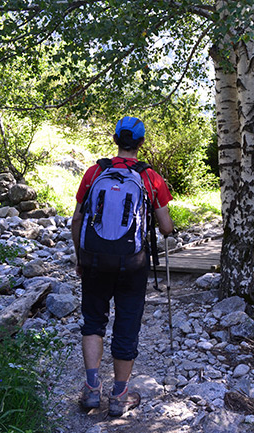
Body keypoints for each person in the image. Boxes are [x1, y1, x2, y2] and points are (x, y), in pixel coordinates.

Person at [71, 116, 174, 416]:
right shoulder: (150, 177)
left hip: (94, 260)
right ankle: (119, 395)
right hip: (133, 263)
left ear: (116, 140)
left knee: (93, 321)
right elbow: (166, 227)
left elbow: (77, 219)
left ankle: (91, 390)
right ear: (141, 143)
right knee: (126, 324)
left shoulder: (94, 172)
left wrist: (81, 257)